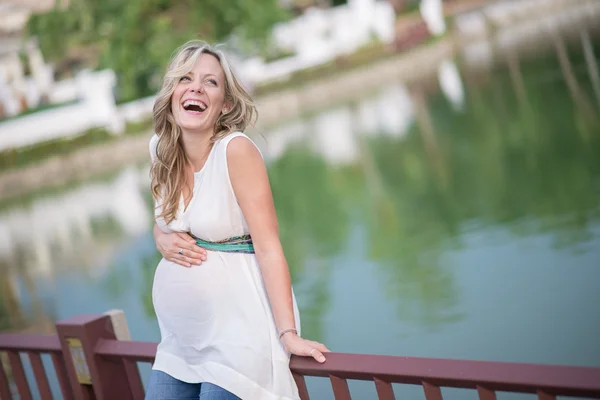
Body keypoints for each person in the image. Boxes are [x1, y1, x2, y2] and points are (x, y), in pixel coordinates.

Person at [145, 40, 329, 400]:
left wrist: (288, 333)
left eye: (210, 82)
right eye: (185, 78)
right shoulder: (160, 150)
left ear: (225, 104)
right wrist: (159, 236)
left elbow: (269, 245)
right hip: (180, 345)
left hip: (239, 339)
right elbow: (166, 219)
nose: (195, 87)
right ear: (172, 93)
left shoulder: (236, 150)